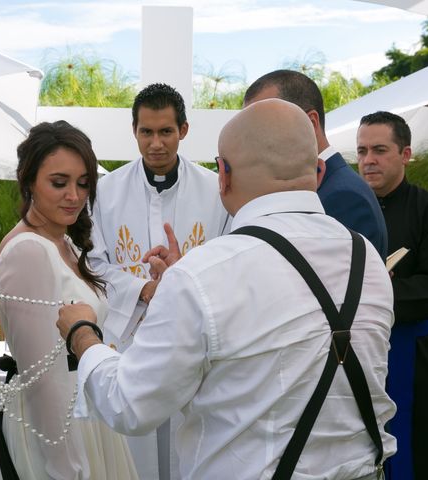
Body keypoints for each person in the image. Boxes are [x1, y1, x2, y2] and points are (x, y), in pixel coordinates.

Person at [57, 98, 397, 479]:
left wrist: (82, 334)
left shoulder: (203, 275)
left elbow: (128, 404)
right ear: (318, 171)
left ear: (223, 175)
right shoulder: (366, 259)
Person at [89, 83, 229, 479]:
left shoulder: (215, 191)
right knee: (134, 451)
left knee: (191, 443)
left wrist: (183, 279)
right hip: (129, 339)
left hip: (194, 336)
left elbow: (228, 256)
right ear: (134, 130)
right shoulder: (104, 192)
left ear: (183, 130)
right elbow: (94, 263)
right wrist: (145, 289)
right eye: (146, 132)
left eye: (165, 131)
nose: (155, 144)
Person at [0, 120, 138, 480]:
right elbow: (42, 378)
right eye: (59, 183)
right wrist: (67, 468)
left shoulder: (63, 243)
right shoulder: (28, 251)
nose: (74, 195)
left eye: (83, 184)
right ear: (28, 181)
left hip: (86, 416)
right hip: (57, 430)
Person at [357, 111, 428, 479]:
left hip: (409, 356)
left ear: (405, 154)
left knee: (410, 458)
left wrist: (379, 288)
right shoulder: (343, 209)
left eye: (380, 150)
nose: (368, 160)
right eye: (362, 151)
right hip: (356, 353)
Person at [243, 69, 388, 259]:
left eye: (265, 124)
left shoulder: (344, 196)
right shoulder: (331, 186)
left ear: (310, 123)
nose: (255, 139)